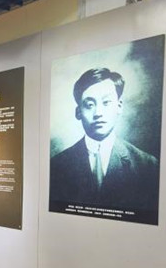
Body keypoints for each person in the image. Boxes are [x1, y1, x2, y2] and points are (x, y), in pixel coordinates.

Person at [49, 68, 159, 217]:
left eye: (106, 102)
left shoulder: (147, 166)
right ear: (78, 112)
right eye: (89, 105)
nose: (98, 113)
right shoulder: (57, 165)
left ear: (119, 106)